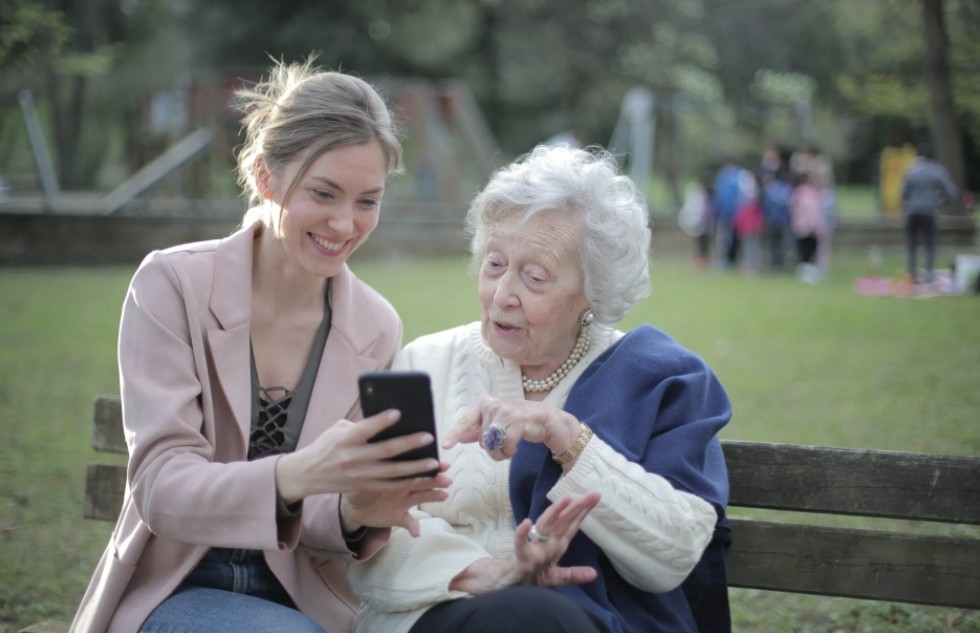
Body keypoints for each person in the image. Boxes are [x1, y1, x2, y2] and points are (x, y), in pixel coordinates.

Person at [70, 58, 452, 633]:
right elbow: (161, 487)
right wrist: (296, 473)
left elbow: (322, 515)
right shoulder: (171, 284)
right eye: (324, 193)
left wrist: (355, 509)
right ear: (263, 176)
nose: (345, 224)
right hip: (175, 588)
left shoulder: (375, 324)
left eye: (368, 201)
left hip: (307, 602)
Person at [348, 145, 733, 633]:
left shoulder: (660, 380)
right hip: (434, 615)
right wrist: (485, 572)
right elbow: (371, 526)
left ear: (594, 292)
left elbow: (675, 554)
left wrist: (568, 438)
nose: (502, 294)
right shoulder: (424, 364)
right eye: (494, 264)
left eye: (534, 277)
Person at [900, 142, 958, 283]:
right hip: (929, 211)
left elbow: (903, 194)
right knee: (930, 243)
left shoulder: (911, 170)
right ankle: (930, 273)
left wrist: (909, 204)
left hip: (912, 211)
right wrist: (941, 201)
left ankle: (912, 273)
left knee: (912, 243)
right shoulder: (937, 171)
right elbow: (952, 193)